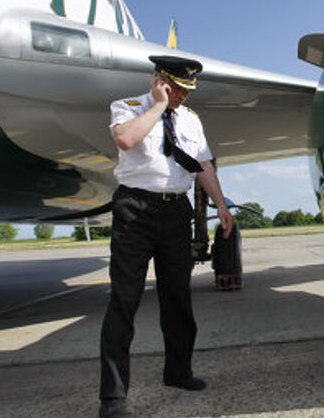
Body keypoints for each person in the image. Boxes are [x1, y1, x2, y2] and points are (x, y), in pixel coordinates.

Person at [98, 55, 234, 418]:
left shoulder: (191, 120)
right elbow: (126, 139)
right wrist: (159, 105)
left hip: (176, 212)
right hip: (135, 211)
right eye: (176, 89)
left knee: (177, 298)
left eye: (187, 91)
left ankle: (178, 371)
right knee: (123, 302)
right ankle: (113, 397)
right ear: (158, 80)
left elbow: (202, 164)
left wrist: (221, 204)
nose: (182, 97)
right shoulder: (128, 108)